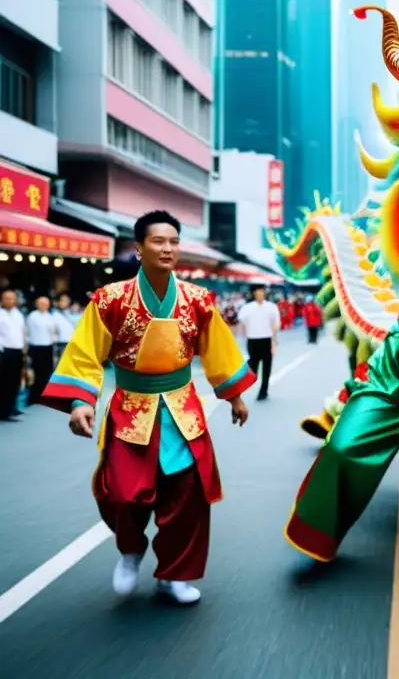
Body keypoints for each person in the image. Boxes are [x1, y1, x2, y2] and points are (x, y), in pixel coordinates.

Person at [41, 210, 255, 604]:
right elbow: (86, 354)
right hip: (130, 410)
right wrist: (79, 401)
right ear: (139, 249)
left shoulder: (198, 300)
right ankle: (131, 549)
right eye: (159, 241)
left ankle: (175, 574)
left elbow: (218, 351)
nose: (168, 248)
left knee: (188, 497)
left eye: (174, 241)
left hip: (183, 412)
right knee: (121, 493)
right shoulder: (110, 299)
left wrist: (234, 396)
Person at [238, 284, 280, 400]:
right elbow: (241, 323)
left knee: (267, 367)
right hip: (253, 340)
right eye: (257, 292)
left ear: (265, 293)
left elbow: (276, 324)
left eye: (262, 292)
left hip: (266, 339)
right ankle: (241, 385)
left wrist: (274, 342)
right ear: (254, 294)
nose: (260, 294)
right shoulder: (247, 308)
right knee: (253, 368)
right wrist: (244, 337)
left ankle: (263, 391)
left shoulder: (271, 307)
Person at [26, 296, 59, 405]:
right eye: (41, 303)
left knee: (46, 372)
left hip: (48, 347)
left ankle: (43, 396)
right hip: (35, 347)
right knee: (36, 373)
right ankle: (33, 398)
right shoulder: (32, 316)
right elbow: (27, 332)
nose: (43, 305)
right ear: (37, 304)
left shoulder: (51, 317)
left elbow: (54, 332)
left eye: (45, 303)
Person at [0, 288, 25, 420]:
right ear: (2, 301)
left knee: (15, 381)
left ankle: (12, 408)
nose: (10, 301)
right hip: (5, 352)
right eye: (7, 298)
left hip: (18, 351)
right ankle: (3, 411)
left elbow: (22, 332)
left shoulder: (18, 314)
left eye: (12, 298)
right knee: (4, 382)